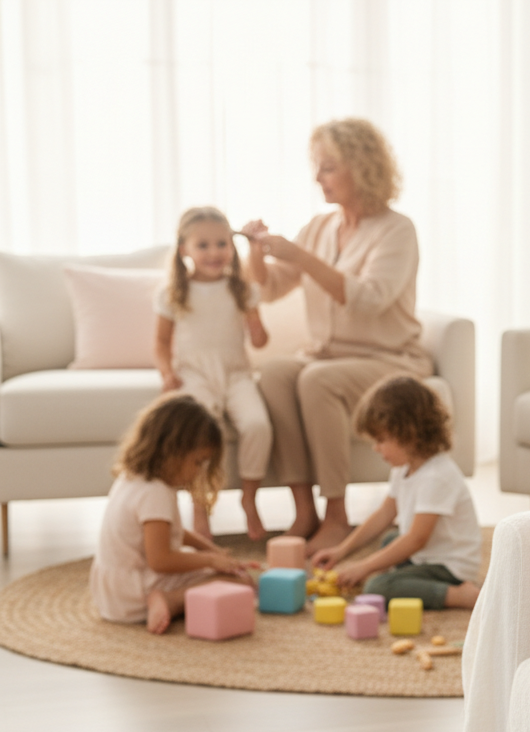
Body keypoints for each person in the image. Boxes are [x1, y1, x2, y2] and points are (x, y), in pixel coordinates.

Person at [241, 117, 433, 555]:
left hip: (388, 359)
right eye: (317, 167)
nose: (317, 177)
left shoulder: (397, 230)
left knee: (316, 379)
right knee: (276, 373)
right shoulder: (319, 227)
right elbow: (270, 288)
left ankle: (336, 518)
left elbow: (369, 299)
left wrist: (301, 257)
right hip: (326, 355)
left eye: (328, 167)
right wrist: (256, 253)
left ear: (361, 168)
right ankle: (304, 510)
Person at [310, 374, 482, 609]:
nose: (376, 448)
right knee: (391, 539)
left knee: (378, 587)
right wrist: (341, 551)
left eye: (381, 440)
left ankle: (460, 595)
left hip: (449, 567)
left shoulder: (437, 476)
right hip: (426, 556)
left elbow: (416, 540)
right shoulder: (404, 468)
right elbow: (384, 514)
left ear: (408, 433)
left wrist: (364, 567)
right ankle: (405, 578)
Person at [90, 394, 255, 634]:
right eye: (198, 462)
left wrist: (214, 551)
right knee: (239, 582)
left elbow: (174, 532)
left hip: (111, 594)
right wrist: (210, 561)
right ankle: (169, 600)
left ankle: (168, 596)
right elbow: (161, 560)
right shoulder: (156, 494)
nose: (199, 471)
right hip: (134, 595)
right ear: (173, 451)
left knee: (210, 568)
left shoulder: (132, 478)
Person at [155, 206, 272, 541]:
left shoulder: (242, 289)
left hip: (236, 375)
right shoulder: (173, 293)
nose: (214, 252)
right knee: (202, 431)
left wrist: (257, 327)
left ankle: (249, 499)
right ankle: (199, 507)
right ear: (184, 249)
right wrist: (167, 373)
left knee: (258, 425)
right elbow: (161, 342)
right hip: (194, 376)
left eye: (222, 244)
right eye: (203, 245)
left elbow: (260, 341)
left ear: (232, 247)